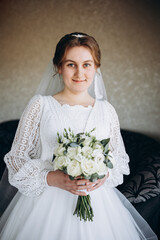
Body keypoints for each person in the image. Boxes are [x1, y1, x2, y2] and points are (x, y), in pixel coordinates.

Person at [0, 32, 158, 240]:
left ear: (96, 67)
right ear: (58, 67)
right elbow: (16, 160)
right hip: (45, 205)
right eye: (71, 64)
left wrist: (103, 175)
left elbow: (119, 160)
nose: (79, 73)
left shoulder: (107, 110)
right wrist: (51, 177)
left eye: (87, 64)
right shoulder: (40, 105)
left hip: (99, 206)